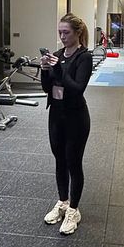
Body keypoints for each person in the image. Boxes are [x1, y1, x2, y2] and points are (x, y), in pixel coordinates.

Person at [40, 13, 93, 235]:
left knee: (73, 162)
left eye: (66, 33)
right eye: (59, 32)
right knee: (59, 160)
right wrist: (45, 69)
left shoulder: (84, 57)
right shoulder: (57, 55)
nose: (62, 37)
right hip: (56, 115)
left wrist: (59, 69)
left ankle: (74, 210)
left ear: (77, 32)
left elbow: (77, 88)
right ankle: (62, 202)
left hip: (76, 117)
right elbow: (47, 88)